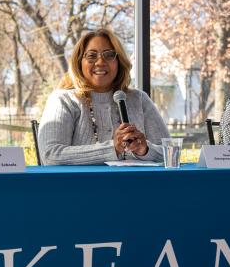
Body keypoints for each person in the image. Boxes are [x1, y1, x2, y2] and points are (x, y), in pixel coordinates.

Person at [38, 28, 169, 165]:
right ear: (79, 62)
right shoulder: (63, 100)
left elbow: (170, 152)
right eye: (91, 56)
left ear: (119, 62)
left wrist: (145, 149)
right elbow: (50, 154)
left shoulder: (139, 99)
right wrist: (113, 148)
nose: (100, 62)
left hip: (137, 185)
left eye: (109, 55)